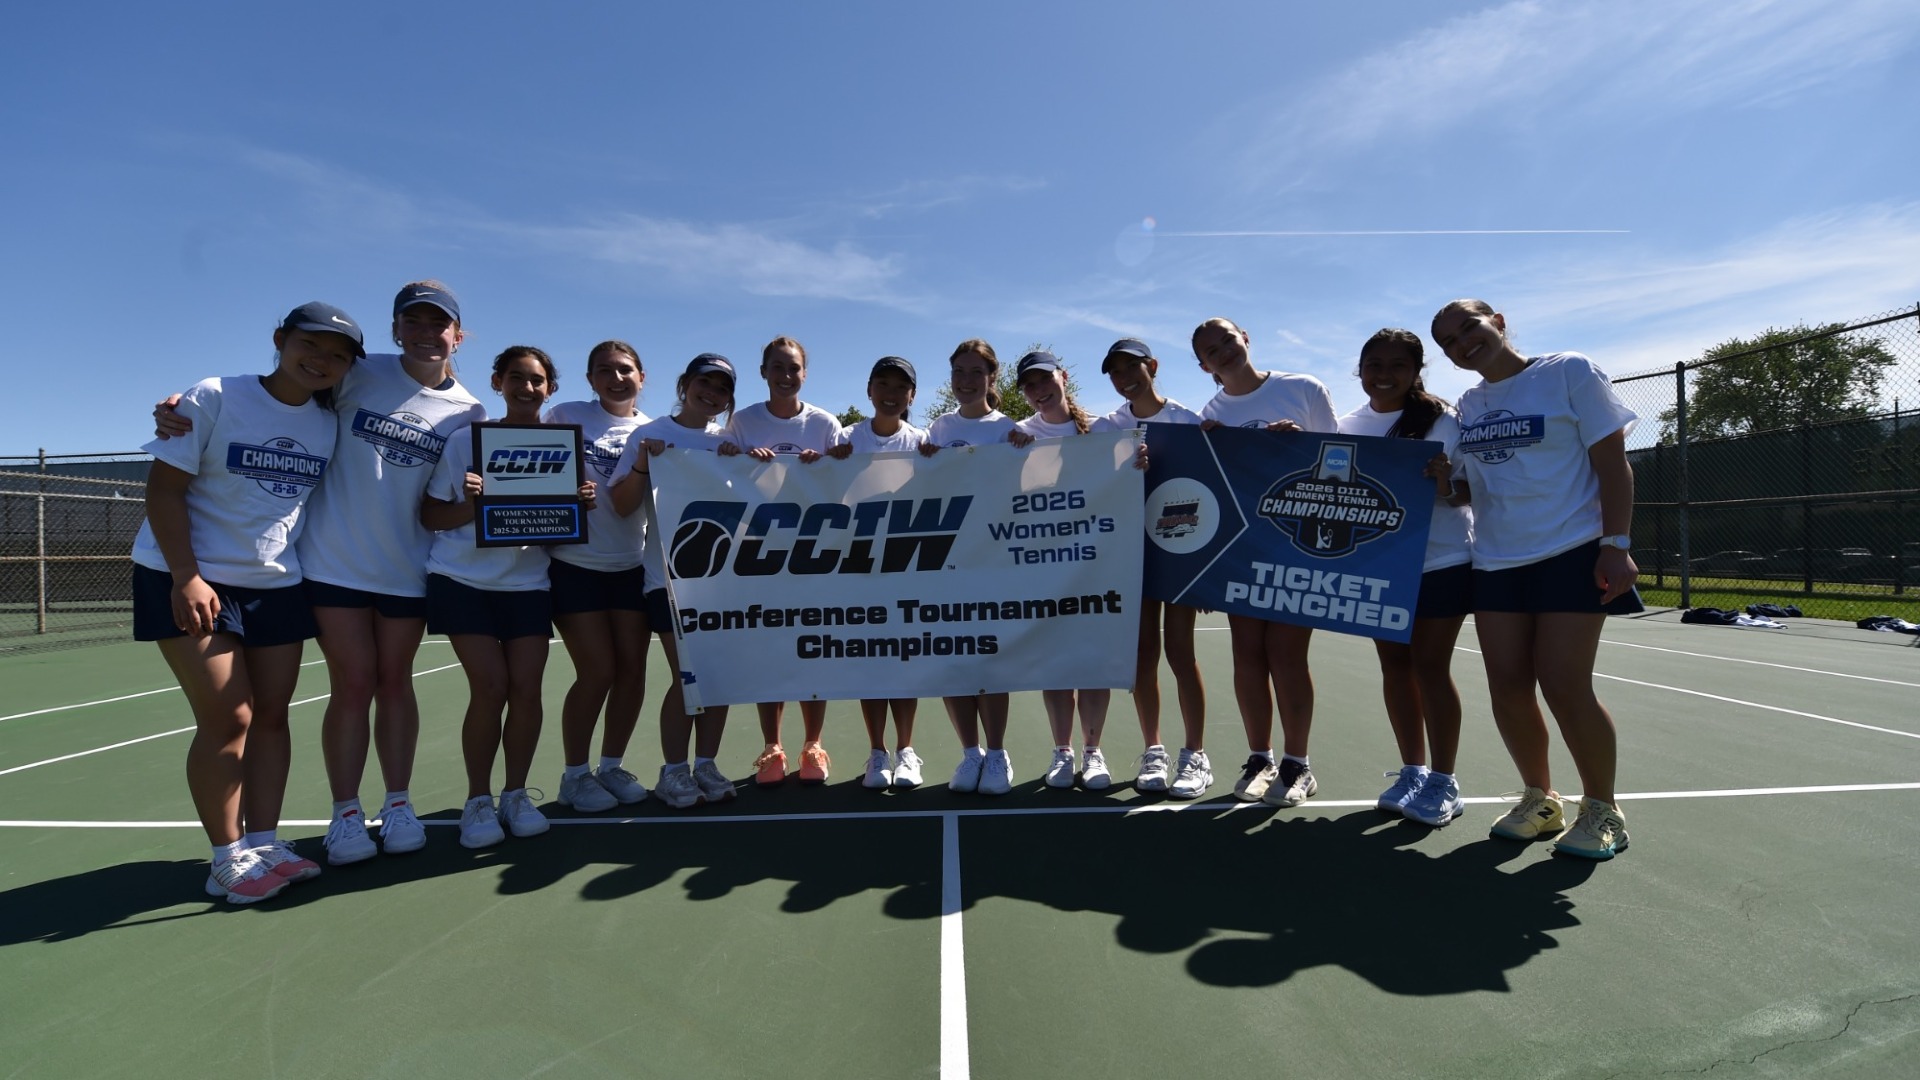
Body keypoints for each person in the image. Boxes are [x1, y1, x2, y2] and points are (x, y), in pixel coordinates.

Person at [155, 282, 488, 865]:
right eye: (413, 322)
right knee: (353, 684)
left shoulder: (471, 412)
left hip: (408, 569)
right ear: (395, 330)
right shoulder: (356, 373)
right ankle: (346, 814)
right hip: (330, 564)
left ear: (458, 336)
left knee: (395, 683)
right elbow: (272, 399)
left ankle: (401, 803)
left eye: (439, 325)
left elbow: (456, 494)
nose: (425, 334)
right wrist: (176, 410)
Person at [134, 301, 362, 902]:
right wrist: (186, 576)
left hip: (276, 584)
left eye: (338, 357)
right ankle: (226, 856)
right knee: (229, 716)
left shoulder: (328, 421)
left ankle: (263, 841)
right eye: (311, 346)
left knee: (272, 715)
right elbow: (164, 489)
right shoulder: (213, 396)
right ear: (280, 340)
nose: (322, 361)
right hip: (188, 576)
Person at [1430, 299, 1640, 858]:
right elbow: (1475, 488)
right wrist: (1444, 487)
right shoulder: (1469, 404)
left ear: (1496, 322)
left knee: (1566, 686)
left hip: (1570, 550)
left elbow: (1613, 462)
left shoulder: (1568, 370)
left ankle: (1603, 810)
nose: (1461, 343)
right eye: (1448, 342)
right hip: (1495, 560)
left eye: (1467, 328)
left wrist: (1615, 544)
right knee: (1508, 688)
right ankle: (1541, 800)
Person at [421, 346, 592, 849]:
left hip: (528, 585)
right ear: (498, 382)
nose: (527, 388)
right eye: (516, 378)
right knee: (490, 687)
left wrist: (577, 507)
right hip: (462, 581)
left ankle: (515, 794)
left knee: (527, 690)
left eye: (537, 380)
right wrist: (471, 505)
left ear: (550, 389)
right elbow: (431, 516)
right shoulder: (465, 443)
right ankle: (478, 799)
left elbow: (555, 533)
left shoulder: (564, 448)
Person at [1192, 316, 1339, 808]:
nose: (1223, 352)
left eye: (1227, 340)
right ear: (1204, 365)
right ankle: (1261, 758)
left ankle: (1299, 765)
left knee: (1287, 655)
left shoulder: (1303, 388)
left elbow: (1344, 463)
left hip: (1296, 547)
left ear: (1245, 339)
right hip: (1240, 553)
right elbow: (1211, 492)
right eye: (1211, 351)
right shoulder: (1209, 413)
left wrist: (1302, 442)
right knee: (1247, 657)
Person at [1336, 329, 1474, 826]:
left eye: (1397, 364)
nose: (1384, 374)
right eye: (1374, 364)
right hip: (1379, 564)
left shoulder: (1445, 420)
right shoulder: (1346, 425)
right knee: (1395, 666)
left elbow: (1467, 493)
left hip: (1441, 561)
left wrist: (1442, 481)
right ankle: (1413, 770)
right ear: (1359, 369)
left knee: (1431, 668)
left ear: (1417, 371)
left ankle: (1444, 780)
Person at [610, 353, 750, 809]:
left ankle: (705, 763)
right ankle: (674, 770)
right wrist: (644, 466)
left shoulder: (726, 443)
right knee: (687, 676)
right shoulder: (650, 435)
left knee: (721, 677)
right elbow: (622, 505)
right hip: (666, 581)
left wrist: (745, 462)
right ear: (684, 383)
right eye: (704, 383)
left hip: (722, 584)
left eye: (722, 388)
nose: (711, 393)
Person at [726, 336, 845, 786]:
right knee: (769, 656)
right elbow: (718, 474)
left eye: (793, 367)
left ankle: (813, 745)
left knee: (815, 654)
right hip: (758, 558)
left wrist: (828, 464)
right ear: (764, 372)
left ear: (804, 374)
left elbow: (842, 482)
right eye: (777, 367)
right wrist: (740, 460)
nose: (785, 374)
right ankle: (771, 747)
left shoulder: (825, 423)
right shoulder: (742, 422)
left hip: (814, 559)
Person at [1008, 350, 1127, 790]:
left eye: (1045, 380)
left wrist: (1139, 464)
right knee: (1056, 664)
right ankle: (1063, 751)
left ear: (1062, 378)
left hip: (1097, 564)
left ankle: (1094, 753)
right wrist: (1009, 455)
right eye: (1029, 385)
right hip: (1042, 567)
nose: (1039, 391)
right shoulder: (1016, 434)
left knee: (1093, 661)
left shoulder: (1103, 430)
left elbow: (1124, 482)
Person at [1099, 338, 1212, 798]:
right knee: (1143, 654)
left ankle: (1195, 755)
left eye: (1132, 368)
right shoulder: (1108, 426)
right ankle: (1154, 750)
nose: (1124, 378)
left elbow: (1211, 489)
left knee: (1181, 654)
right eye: (1115, 371)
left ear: (1152, 366)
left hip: (1181, 549)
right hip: (1131, 552)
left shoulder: (1188, 420)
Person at [546, 341, 653, 812]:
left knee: (632, 672)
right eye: (604, 370)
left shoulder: (654, 432)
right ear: (590, 379)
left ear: (641, 377)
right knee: (597, 671)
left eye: (625, 369)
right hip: (575, 566)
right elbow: (534, 478)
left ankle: (611, 766)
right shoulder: (565, 415)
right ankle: (574, 776)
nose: (615, 378)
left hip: (632, 566)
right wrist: (566, 497)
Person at [825, 356, 930, 789]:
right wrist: (824, 460)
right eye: (882, 383)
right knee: (871, 665)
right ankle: (877, 752)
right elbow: (814, 483)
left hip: (908, 572)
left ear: (912, 396)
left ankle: (907, 751)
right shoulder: (846, 439)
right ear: (869, 390)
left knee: (904, 665)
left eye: (900, 386)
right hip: (857, 573)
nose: (890, 392)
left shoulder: (924, 443)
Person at [921, 339, 1018, 795]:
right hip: (945, 564)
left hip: (992, 562)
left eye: (975, 372)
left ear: (991, 378)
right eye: (958, 372)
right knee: (953, 661)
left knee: (990, 661)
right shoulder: (939, 428)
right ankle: (970, 753)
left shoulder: (1008, 428)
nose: (965, 381)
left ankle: (997, 754)